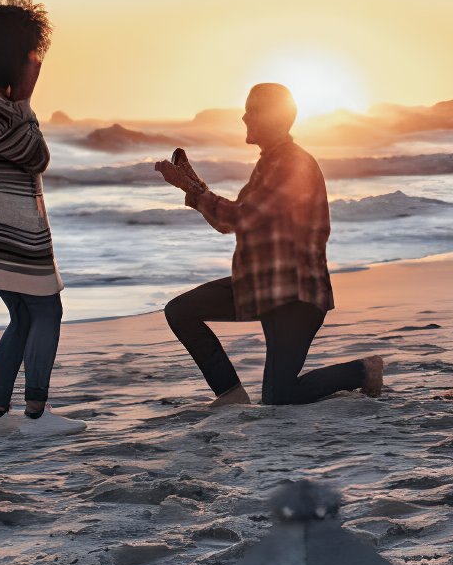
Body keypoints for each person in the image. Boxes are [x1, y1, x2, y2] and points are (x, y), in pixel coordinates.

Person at [155, 83, 384, 407]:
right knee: (180, 311)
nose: (245, 117)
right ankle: (230, 393)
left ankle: (362, 371)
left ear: (274, 118)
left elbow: (239, 218)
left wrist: (192, 188)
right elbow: (228, 221)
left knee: (279, 397)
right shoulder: (271, 163)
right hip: (263, 287)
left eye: (252, 110)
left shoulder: (290, 164)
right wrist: (194, 187)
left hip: (296, 295)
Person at [0, 0, 84, 437]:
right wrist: (26, 100)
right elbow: (36, 156)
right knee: (48, 310)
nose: (36, 61)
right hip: (11, 228)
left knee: (22, 317)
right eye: (31, 53)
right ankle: (35, 413)